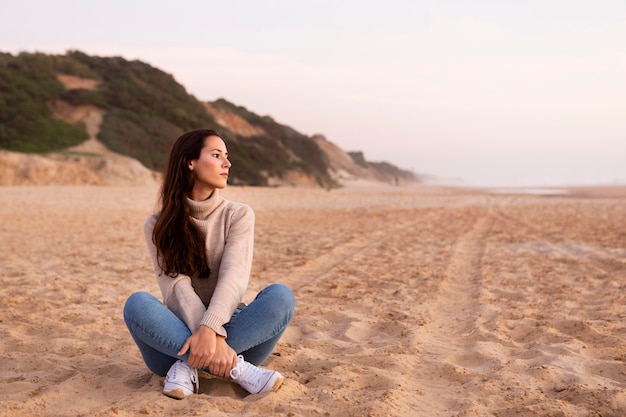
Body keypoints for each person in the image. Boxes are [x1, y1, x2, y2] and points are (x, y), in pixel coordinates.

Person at [123, 129, 295, 399]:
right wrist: (202, 332)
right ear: (189, 162)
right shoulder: (157, 224)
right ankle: (235, 367)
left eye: (226, 156)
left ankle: (189, 365)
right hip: (174, 338)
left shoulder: (237, 214)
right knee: (137, 304)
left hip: (235, 333)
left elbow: (233, 278)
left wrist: (211, 329)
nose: (227, 163)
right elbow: (175, 285)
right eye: (216, 155)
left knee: (281, 296)